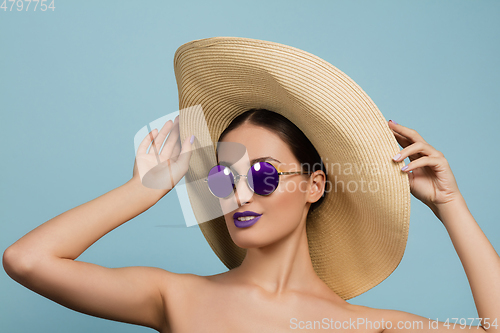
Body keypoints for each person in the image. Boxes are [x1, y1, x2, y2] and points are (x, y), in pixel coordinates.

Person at [3, 37, 499, 333]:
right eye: (223, 178)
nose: (239, 195)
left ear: (314, 185)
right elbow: (27, 261)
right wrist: (142, 189)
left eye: (263, 176)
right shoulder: (173, 297)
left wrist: (450, 205)